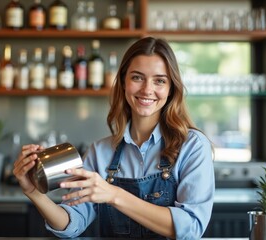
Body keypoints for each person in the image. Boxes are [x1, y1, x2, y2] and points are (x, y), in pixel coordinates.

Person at [13, 37, 215, 239]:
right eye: (137, 77)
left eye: (159, 80)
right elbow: (72, 224)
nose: (147, 89)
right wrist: (34, 193)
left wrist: (114, 194)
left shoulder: (193, 146)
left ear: (171, 89)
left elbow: (191, 228)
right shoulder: (100, 152)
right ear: (123, 82)